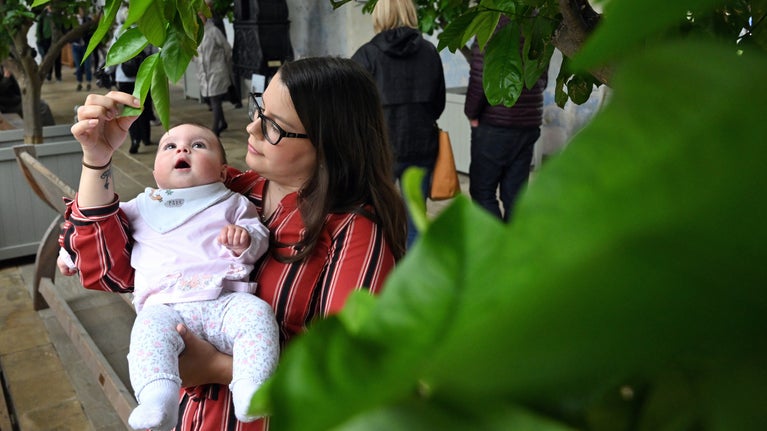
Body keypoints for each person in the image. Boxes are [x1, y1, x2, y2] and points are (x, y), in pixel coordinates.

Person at [58, 56, 407, 430]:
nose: (252, 127)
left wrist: (216, 368)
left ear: (331, 144)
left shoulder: (354, 231)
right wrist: (98, 159)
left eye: (274, 126)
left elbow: (354, 375)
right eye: (260, 107)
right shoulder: (234, 191)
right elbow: (110, 271)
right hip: (193, 417)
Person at [58, 123, 279, 430]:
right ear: (155, 174)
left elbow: (259, 237)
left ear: (223, 173)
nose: (182, 149)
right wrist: (68, 254)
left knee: (258, 315)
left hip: (225, 301)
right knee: (147, 336)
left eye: (199, 145)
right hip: (164, 308)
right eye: (169, 146)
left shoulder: (233, 203)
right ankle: (156, 400)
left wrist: (245, 240)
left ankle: (251, 386)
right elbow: (99, 230)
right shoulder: (142, 206)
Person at [351, 0, 446, 248]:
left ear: (379, 15)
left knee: (374, 217)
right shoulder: (430, 52)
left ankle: (380, 271)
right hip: (423, 145)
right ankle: (414, 280)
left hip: (381, 150)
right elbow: (439, 104)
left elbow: (351, 107)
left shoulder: (366, 56)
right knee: (416, 220)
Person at [464, 16, 548, 222]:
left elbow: (479, 76)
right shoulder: (537, 22)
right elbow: (541, 76)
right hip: (528, 124)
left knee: (482, 192)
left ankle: (498, 246)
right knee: (515, 197)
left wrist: (471, 113)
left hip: (494, 125)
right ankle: (513, 249)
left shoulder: (491, 25)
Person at [111, 7, 153, 153]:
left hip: (124, 77)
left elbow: (113, 55)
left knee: (130, 109)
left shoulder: (119, 32)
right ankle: (146, 137)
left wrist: (108, 72)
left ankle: (135, 138)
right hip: (143, 76)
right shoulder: (146, 30)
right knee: (145, 106)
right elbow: (154, 53)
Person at [195, 12, 233, 137]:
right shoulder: (196, 33)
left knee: (215, 100)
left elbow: (227, 49)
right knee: (211, 99)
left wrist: (222, 64)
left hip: (216, 72)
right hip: (204, 74)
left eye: (201, 15)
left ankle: (215, 129)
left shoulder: (214, 31)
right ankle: (223, 122)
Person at [71, 7, 94, 92]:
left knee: (87, 66)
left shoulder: (88, 20)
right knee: (78, 66)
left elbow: (92, 32)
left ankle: (88, 82)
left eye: (82, 11)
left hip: (86, 46)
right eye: (79, 11)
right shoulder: (73, 21)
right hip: (76, 46)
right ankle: (79, 83)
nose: (81, 12)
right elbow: (68, 32)